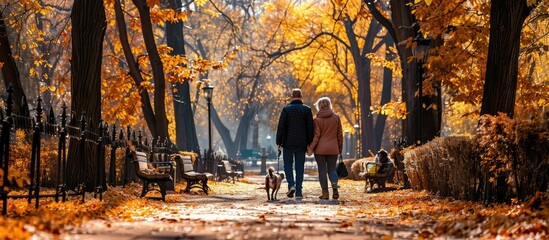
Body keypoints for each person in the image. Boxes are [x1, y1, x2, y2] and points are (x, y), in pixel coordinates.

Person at [276, 88, 314, 199]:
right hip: (302, 143)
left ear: (292, 96)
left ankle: (291, 185)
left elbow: (281, 127)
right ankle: (298, 191)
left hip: (288, 142)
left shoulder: (286, 110)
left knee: (287, 165)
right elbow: (310, 128)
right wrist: (309, 143)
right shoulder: (307, 110)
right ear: (301, 96)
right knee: (299, 167)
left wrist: (279, 141)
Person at [306, 97, 343, 200]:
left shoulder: (317, 120)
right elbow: (340, 135)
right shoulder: (336, 118)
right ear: (329, 104)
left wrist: (310, 149)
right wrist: (340, 148)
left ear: (319, 106)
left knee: (322, 171)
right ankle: (334, 184)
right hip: (333, 148)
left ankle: (325, 193)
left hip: (320, 150)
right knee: (332, 170)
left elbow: (316, 136)